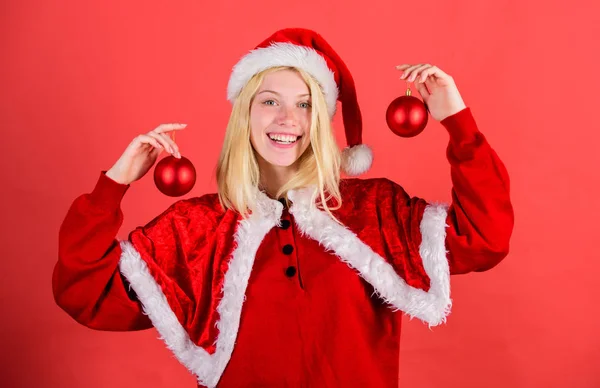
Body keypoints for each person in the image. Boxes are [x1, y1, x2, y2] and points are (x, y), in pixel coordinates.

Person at [52, 28, 514, 388]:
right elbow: (85, 292)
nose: (286, 119)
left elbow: (485, 238)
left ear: (320, 120)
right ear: (245, 116)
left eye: (305, 105)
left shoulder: (374, 209)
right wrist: (113, 185)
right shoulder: (196, 228)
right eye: (269, 101)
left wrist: (458, 122)